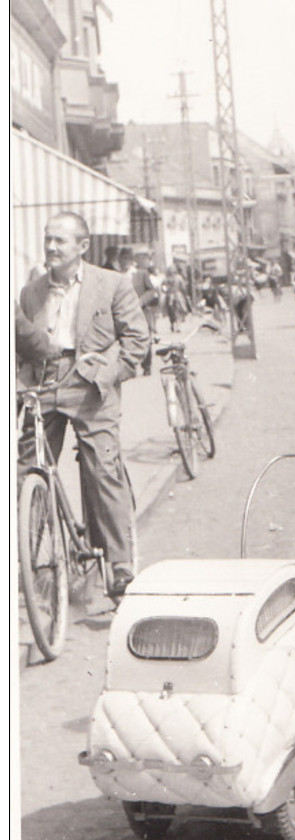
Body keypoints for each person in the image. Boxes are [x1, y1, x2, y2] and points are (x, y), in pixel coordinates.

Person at [18, 211, 149, 598]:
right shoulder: (31, 291)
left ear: (83, 246)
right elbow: (20, 346)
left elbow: (137, 342)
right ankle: (31, 558)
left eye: (60, 240)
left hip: (92, 385)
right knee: (27, 472)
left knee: (102, 468)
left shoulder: (112, 284)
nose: (51, 247)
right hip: (43, 384)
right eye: (47, 239)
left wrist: (106, 374)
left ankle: (121, 566)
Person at [132, 250, 159, 375]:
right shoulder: (118, 274)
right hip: (124, 312)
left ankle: (147, 366)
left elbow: (151, 291)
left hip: (142, 311)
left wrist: (141, 301)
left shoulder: (141, 274)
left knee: (145, 338)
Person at [163, 265, 190, 333]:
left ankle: (172, 324)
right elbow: (183, 287)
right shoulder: (179, 278)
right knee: (178, 311)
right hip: (177, 295)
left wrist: (166, 291)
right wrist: (185, 294)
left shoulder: (166, 279)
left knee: (170, 311)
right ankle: (178, 327)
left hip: (169, 296)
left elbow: (162, 287)